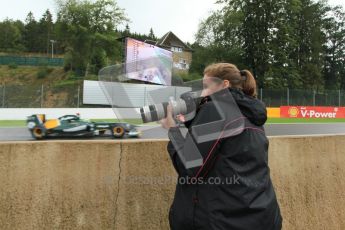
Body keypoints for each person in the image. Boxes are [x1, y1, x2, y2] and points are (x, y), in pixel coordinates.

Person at [159, 63, 283, 230]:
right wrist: (194, 120)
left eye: (206, 87)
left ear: (225, 84)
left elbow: (189, 167)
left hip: (222, 221)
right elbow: (222, 146)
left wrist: (173, 129)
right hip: (261, 216)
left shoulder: (216, 109)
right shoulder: (252, 113)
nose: (202, 93)